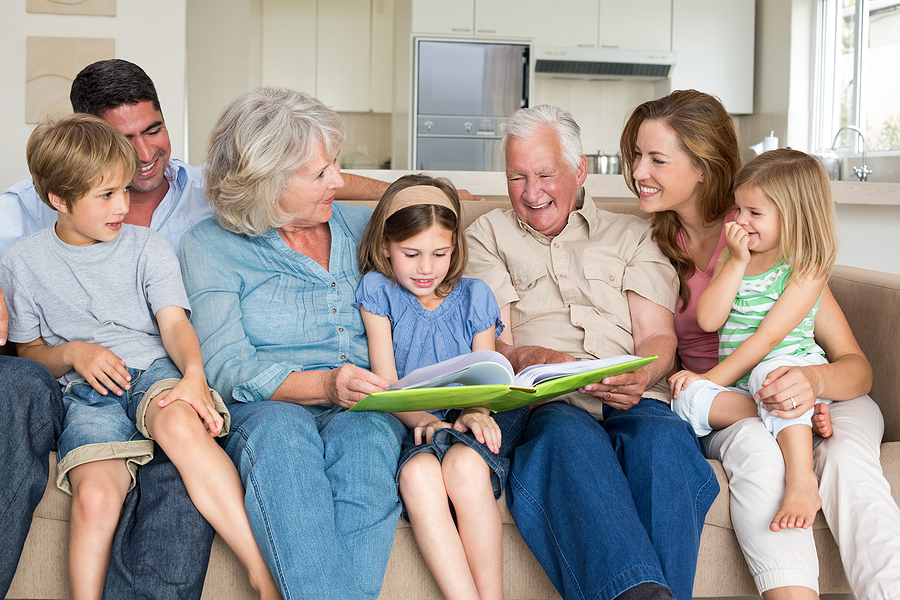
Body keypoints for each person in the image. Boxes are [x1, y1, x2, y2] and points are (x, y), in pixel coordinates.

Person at [620, 88, 900, 599]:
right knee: (754, 447)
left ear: (703, 166)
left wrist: (809, 382)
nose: (638, 171)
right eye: (637, 156)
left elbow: (856, 368)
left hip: (813, 389)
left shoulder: (770, 234)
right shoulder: (646, 246)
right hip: (733, 403)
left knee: (845, 462)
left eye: (657, 159)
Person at [0, 113, 281, 600]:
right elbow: (29, 353)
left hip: (153, 372)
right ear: (58, 200)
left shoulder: (147, 247)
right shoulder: (22, 262)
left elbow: (174, 324)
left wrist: (193, 377)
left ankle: (260, 572)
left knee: (177, 425)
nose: (123, 206)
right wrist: (73, 353)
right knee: (95, 494)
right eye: (105, 196)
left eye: (124, 191)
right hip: (88, 396)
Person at [464, 104, 718, 600]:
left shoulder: (634, 234)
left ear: (579, 171)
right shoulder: (487, 236)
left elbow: (657, 339)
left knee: (663, 443)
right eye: (517, 177)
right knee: (564, 440)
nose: (531, 193)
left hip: (634, 397)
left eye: (544, 174)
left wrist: (643, 376)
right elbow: (497, 343)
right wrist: (530, 357)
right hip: (552, 402)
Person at [179, 87, 406, 600]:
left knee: (369, 440)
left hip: (366, 403)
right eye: (320, 173)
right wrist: (326, 383)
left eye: (336, 165)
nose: (341, 182)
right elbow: (227, 367)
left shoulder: (364, 228)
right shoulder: (210, 245)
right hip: (270, 408)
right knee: (283, 438)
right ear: (265, 183)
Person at [355, 173, 527, 600]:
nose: (426, 268)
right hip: (412, 418)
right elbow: (388, 383)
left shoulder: (476, 297)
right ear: (385, 249)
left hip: (473, 414)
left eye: (440, 253)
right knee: (417, 475)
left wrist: (475, 413)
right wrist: (427, 421)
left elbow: (485, 376)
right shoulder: (379, 292)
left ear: (456, 249)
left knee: (467, 468)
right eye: (410, 254)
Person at [668, 149, 837, 533]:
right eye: (739, 209)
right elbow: (709, 319)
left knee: (769, 374)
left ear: (793, 218)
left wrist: (710, 377)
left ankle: (801, 481)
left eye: (754, 213)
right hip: (748, 391)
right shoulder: (734, 255)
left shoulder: (806, 268)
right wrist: (737, 263)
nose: (740, 221)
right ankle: (798, 423)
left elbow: (766, 339)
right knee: (683, 399)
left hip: (791, 374)